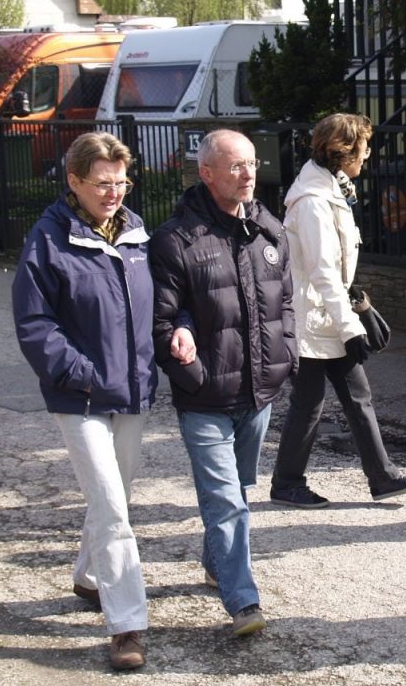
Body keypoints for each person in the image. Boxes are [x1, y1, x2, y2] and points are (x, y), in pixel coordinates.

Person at [12, 132, 155, 670]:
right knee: (115, 509)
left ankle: (90, 578)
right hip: (81, 396)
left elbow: (155, 305)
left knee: (114, 493)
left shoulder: (137, 232)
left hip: (134, 389)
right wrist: (82, 374)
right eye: (102, 184)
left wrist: (178, 331)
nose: (114, 192)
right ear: (73, 181)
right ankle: (127, 626)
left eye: (121, 182)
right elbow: (34, 323)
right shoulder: (48, 239)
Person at [149, 129, 296, 637]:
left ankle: (215, 565)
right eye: (235, 166)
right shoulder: (176, 240)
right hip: (206, 398)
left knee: (241, 489)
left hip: (258, 394)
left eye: (252, 164)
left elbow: (286, 302)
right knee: (226, 499)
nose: (248, 174)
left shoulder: (267, 228)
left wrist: (288, 353)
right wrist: (193, 374)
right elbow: (160, 323)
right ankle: (243, 601)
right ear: (206, 173)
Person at [270, 113, 406, 508]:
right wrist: (351, 329)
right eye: (363, 148)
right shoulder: (312, 201)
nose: (368, 155)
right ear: (343, 153)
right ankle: (287, 483)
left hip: (329, 316)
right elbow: (322, 270)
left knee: (358, 395)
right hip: (312, 320)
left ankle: (383, 477)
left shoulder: (332, 189)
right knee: (309, 403)